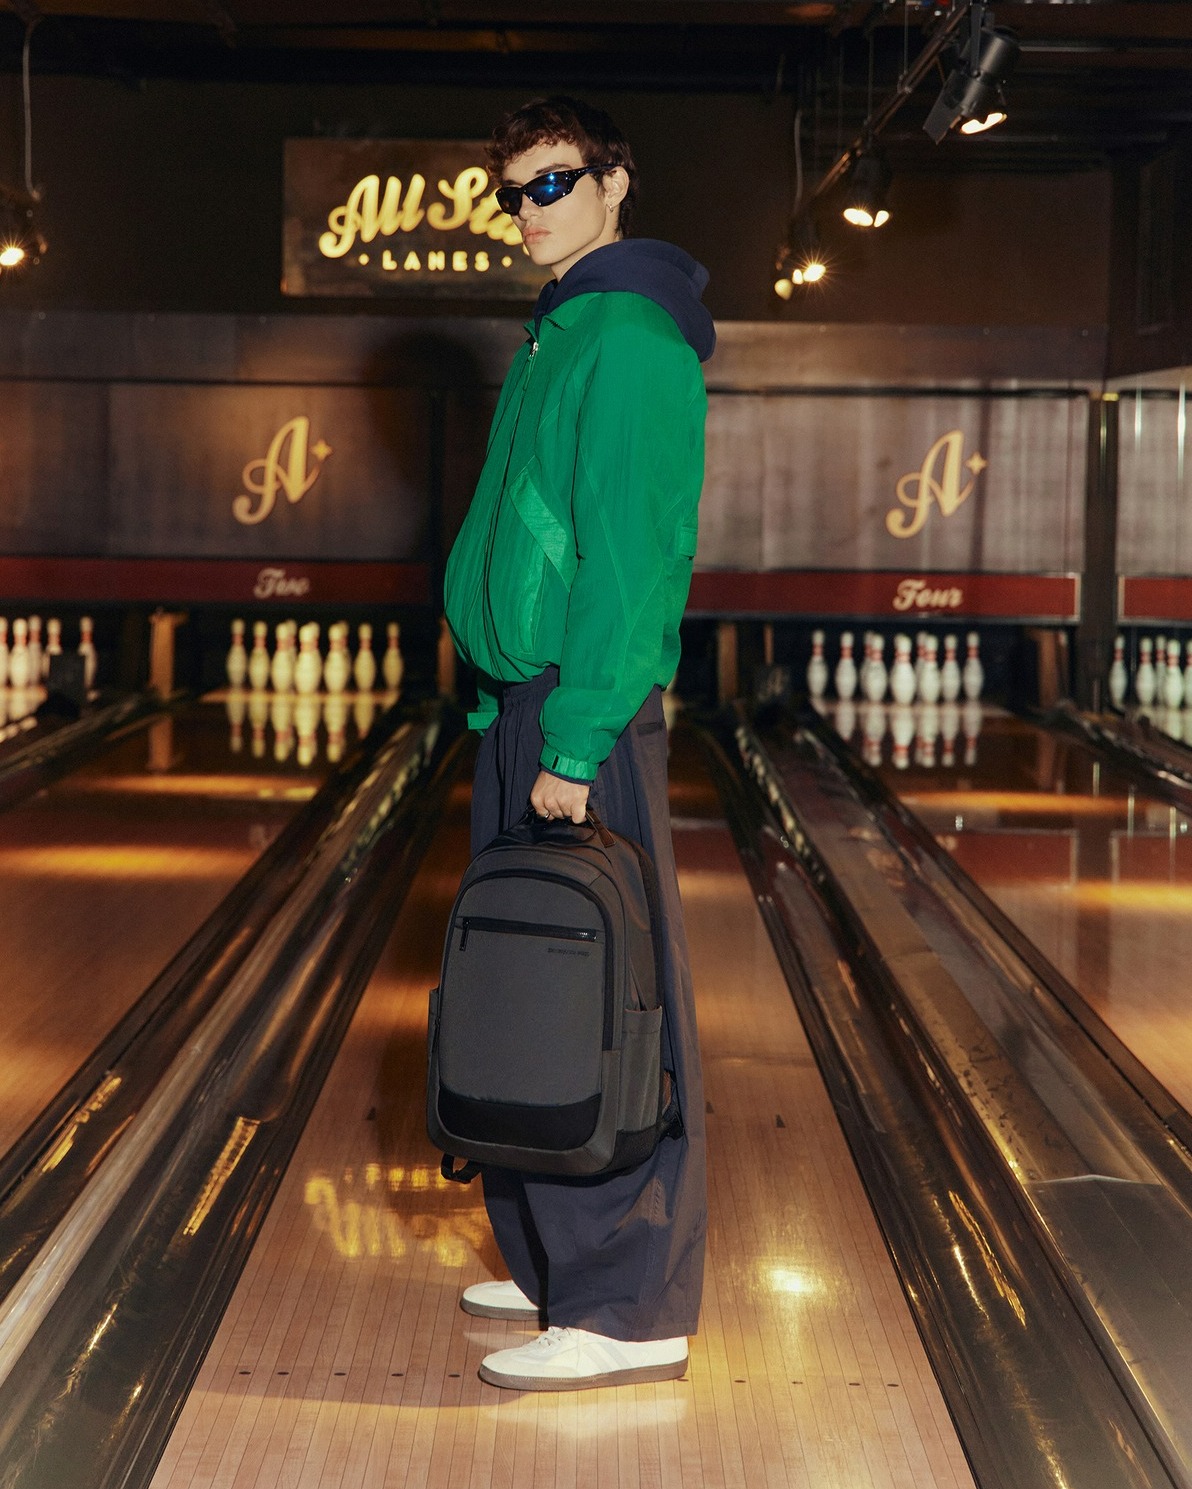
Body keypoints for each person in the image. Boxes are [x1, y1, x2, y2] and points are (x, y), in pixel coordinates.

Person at [443, 94, 714, 1392]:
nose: (527, 211)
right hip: (525, 704)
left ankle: (625, 1303)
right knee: (526, 984)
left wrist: (579, 730)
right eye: (513, 192)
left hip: (576, 710)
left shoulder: (634, 338)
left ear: (614, 183)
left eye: (551, 183)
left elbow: (633, 564)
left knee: (611, 990)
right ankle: (553, 1257)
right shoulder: (562, 329)